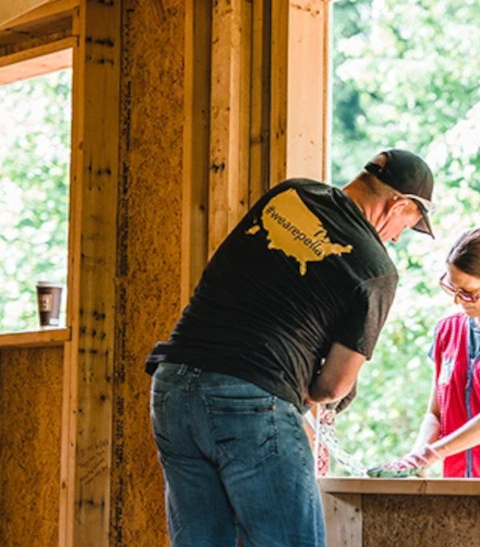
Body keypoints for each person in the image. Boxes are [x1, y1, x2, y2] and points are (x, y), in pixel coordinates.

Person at [145, 150, 436, 546]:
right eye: (407, 224)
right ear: (398, 204)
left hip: (174, 386)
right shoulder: (376, 269)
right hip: (250, 397)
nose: (398, 236)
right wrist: (311, 388)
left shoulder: (290, 193)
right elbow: (332, 387)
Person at [368, 228, 480, 479]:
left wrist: (430, 454)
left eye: (468, 293)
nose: (458, 300)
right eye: (451, 287)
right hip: (454, 483)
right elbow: (435, 413)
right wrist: (416, 459)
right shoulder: (447, 330)